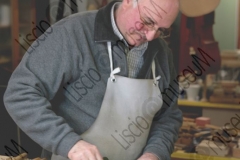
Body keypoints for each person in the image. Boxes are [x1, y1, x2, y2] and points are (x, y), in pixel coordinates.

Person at [4, 0, 182, 160]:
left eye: (161, 30)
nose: (150, 36)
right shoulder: (72, 33)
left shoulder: (162, 53)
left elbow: (168, 117)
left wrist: (155, 154)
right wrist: (70, 144)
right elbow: (20, 93)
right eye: (148, 21)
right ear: (128, 1)